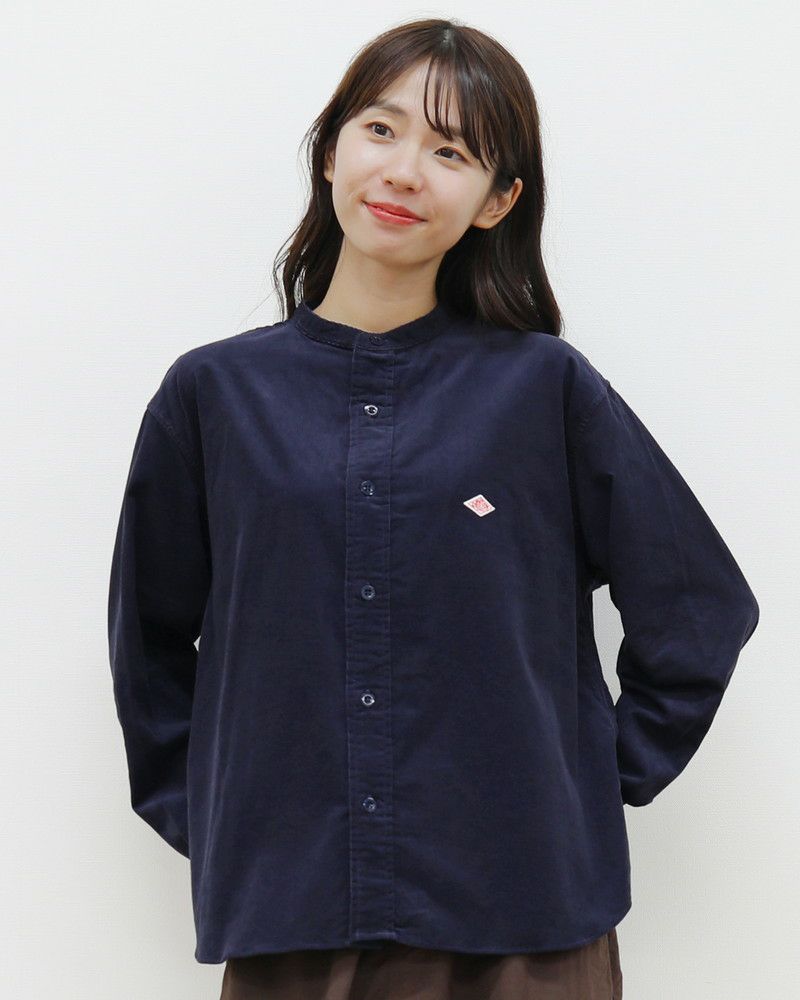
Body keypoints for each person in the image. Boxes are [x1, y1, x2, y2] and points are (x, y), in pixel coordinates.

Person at [107, 17, 759, 1000]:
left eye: (451, 152)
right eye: (381, 129)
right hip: (294, 919)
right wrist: (221, 818)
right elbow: (147, 641)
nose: (404, 171)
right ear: (331, 152)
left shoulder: (544, 390)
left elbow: (698, 604)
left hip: (526, 927)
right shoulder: (213, 396)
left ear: (497, 200)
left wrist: (586, 784)